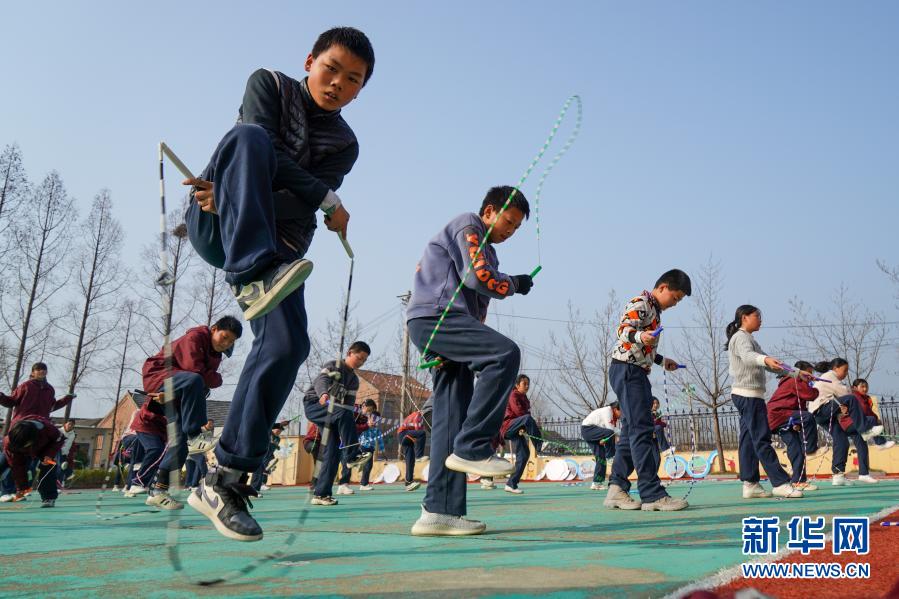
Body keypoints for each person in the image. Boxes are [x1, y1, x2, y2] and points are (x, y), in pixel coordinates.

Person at [184, 27, 375, 543]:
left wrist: (310, 197)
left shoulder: (345, 143)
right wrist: (325, 197)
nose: (337, 84)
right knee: (248, 139)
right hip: (217, 219)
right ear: (310, 61)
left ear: (360, 90)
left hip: (281, 244)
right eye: (331, 69)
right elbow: (263, 148)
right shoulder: (267, 83)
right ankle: (250, 271)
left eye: (352, 80)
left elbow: (296, 202)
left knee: (288, 346)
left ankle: (225, 481)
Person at [406, 185, 534, 535]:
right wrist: (515, 283)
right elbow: (478, 277)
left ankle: (438, 512)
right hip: (438, 318)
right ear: (489, 211)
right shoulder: (469, 225)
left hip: (444, 326)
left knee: (450, 417)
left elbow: (478, 297)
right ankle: (474, 445)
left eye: (516, 227)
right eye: (508, 221)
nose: (510, 230)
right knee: (504, 354)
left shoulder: (488, 250)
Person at [604, 269, 691, 512]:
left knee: (632, 430)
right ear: (662, 287)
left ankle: (616, 489)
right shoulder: (641, 303)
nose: (675, 304)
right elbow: (623, 331)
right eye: (675, 298)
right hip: (628, 371)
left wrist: (662, 360)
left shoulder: (654, 311)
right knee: (642, 430)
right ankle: (652, 494)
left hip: (634, 370)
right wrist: (642, 336)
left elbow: (643, 347)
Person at [143, 317, 241, 510]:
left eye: (231, 341)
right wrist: (215, 379)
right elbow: (194, 370)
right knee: (195, 379)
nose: (226, 343)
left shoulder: (216, 354)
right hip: (159, 375)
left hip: (178, 392)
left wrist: (212, 379)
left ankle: (157, 491)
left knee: (180, 444)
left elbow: (206, 381)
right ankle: (195, 435)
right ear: (214, 329)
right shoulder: (194, 337)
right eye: (224, 337)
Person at [725, 305, 806, 500]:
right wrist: (766, 359)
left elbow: (772, 366)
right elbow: (749, 357)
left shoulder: (749, 338)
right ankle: (780, 483)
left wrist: (797, 373)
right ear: (744, 318)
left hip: (747, 395)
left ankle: (750, 484)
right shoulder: (741, 338)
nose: (760, 320)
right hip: (749, 396)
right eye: (757, 316)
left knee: (748, 440)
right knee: (761, 439)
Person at [303, 342, 373, 505]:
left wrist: (348, 428)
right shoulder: (334, 366)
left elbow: (348, 406)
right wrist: (323, 393)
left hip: (334, 412)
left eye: (364, 360)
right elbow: (321, 380)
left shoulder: (354, 380)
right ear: (349, 353)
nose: (361, 362)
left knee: (332, 451)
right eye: (359, 358)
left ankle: (321, 494)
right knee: (343, 413)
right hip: (315, 404)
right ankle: (353, 455)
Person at [808, 358, 883, 486]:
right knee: (852, 400)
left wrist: (841, 407)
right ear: (835, 368)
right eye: (845, 370)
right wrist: (849, 397)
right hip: (822, 410)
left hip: (824, 414)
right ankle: (867, 432)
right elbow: (844, 392)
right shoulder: (830, 375)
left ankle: (838, 475)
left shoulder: (831, 378)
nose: (846, 373)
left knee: (841, 441)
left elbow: (838, 397)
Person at [766, 361, 825, 491]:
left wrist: (797, 423)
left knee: (795, 446)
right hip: (779, 414)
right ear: (800, 371)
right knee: (808, 417)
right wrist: (816, 388)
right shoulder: (794, 379)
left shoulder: (796, 382)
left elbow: (800, 406)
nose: (810, 376)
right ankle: (810, 450)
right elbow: (810, 395)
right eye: (809, 373)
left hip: (781, 417)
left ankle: (798, 481)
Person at [0, 417, 64, 507]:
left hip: (45, 448)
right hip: (19, 451)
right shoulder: (9, 443)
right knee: (3, 463)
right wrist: (22, 488)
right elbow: (17, 466)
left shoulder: (47, 429)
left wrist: (49, 454)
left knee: (47, 467)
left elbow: (60, 438)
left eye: (24, 444)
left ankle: (49, 498)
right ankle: (10, 491)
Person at [500, 375, 542, 495]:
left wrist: (523, 427)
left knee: (524, 455)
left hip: (516, 428)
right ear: (517, 385)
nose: (527, 386)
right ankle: (539, 445)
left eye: (528, 384)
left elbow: (525, 414)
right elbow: (519, 412)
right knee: (528, 418)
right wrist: (525, 424)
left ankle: (511, 484)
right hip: (507, 427)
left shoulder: (524, 398)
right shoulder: (513, 395)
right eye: (524, 384)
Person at [0, 362, 74, 424]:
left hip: (41, 424)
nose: (41, 371)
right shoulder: (25, 386)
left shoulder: (50, 389)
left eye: (44, 369)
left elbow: (52, 407)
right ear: (32, 373)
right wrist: (1, 397)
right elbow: (11, 401)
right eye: (38, 369)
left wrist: (67, 398)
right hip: (23, 423)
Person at [336, 400, 377, 495]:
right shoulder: (353, 410)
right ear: (364, 406)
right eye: (369, 410)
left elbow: (359, 428)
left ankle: (344, 485)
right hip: (342, 439)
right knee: (346, 461)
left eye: (371, 412)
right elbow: (351, 427)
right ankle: (342, 485)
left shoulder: (364, 417)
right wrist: (366, 426)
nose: (369, 413)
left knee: (348, 461)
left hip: (351, 441)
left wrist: (368, 425)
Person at [581, 402, 621, 490]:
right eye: (621, 412)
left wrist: (603, 439)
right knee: (610, 432)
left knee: (601, 458)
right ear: (615, 409)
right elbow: (611, 430)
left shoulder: (614, 417)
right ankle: (610, 456)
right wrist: (623, 433)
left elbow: (611, 433)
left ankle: (597, 483)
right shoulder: (608, 411)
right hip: (588, 429)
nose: (622, 415)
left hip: (593, 432)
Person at [848, 379, 894, 451]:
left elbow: (867, 410)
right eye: (862, 387)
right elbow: (865, 409)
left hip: (858, 422)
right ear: (855, 388)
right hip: (853, 422)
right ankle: (880, 442)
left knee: (862, 449)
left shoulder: (865, 397)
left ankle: (869, 435)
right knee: (872, 419)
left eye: (866, 386)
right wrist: (875, 417)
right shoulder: (855, 396)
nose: (865, 389)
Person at [397, 408, 428, 492]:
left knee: (410, 460)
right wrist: (417, 436)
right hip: (403, 434)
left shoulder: (422, 420)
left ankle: (408, 483)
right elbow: (418, 428)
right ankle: (419, 456)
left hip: (407, 438)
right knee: (422, 433)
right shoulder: (417, 415)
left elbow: (419, 430)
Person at [251, 423, 283, 495]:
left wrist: (277, 447)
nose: (279, 432)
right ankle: (258, 485)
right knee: (262, 469)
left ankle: (262, 484)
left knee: (269, 468)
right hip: (263, 454)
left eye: (281, 431)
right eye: (278, 430)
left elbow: (275, 446)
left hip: (270, 455)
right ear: (273, 429)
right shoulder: (269, 434)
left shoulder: (278, 439)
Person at [185, 420, 215, 489]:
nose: (211, 425)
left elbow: (206, 446)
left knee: (198, 467)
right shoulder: (199, 429)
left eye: (212, 424)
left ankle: (194, 484)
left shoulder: (210, 433)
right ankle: (205, 476)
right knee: (191, 468)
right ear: (205, 424)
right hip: (191, 450)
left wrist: (206, 455)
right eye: (209, 424)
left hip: (199, 452)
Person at [57, 421, 77, 487]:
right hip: (56, 450)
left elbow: (68, 445)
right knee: (59, 467)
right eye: (69, 424)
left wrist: (65, 454)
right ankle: (68, 475)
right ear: (65, 424)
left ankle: (60, 483)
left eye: (72, 425)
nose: (70, 426)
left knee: (62, 467)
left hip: (64, 453)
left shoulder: (72, 434)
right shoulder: (59, 431)